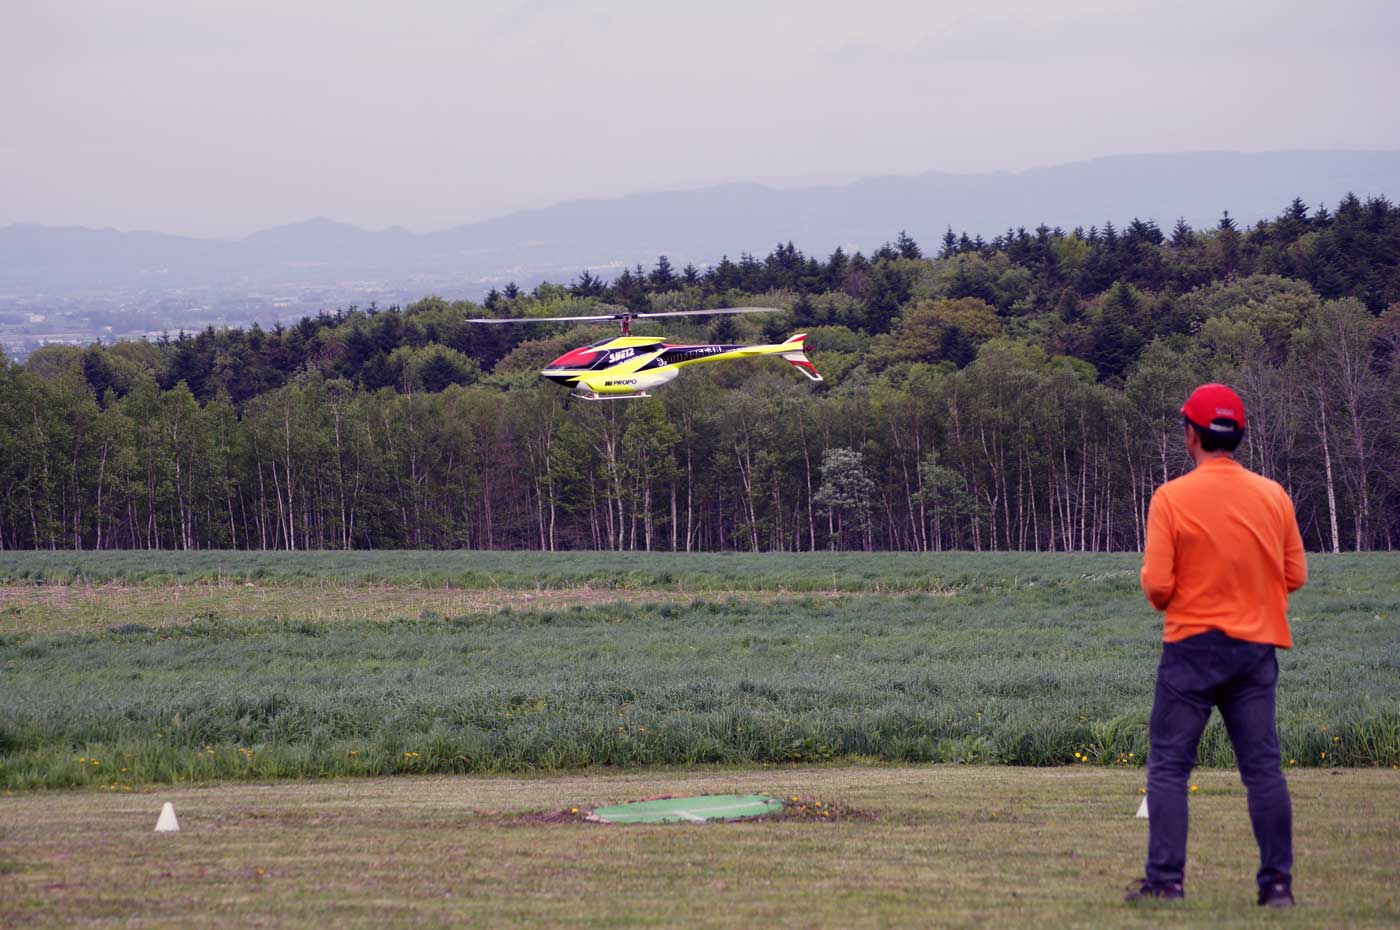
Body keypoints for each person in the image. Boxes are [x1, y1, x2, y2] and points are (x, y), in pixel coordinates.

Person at [1125, 383, 1308, 907]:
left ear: (1192, 435)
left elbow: (1158, 587)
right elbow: (1295, 574)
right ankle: (1277, 887)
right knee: (1263, 768)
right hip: (1255, 648)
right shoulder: (1274, 496)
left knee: (1169, 766)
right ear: (1240, 434)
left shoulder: (1171, 498)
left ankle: (1166, 882)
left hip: (1191, 648)